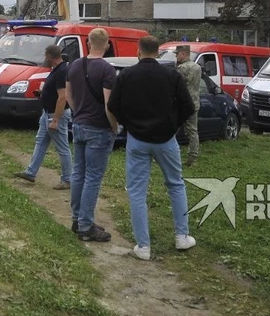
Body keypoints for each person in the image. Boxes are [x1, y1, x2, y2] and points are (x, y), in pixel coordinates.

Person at [108, 36, 196, 261]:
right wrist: (172, 125)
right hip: (166, 140)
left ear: (138, 51)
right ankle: (182, 236)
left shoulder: (127, 75)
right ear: (158, 52)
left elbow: (113, 105)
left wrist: (130, 124)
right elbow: (188, 106)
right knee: (175, 184)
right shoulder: (171, 75)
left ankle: (143, 246)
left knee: (137, 191)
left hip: (137, 139)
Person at [66, 28, 118, 242]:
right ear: (106, 45)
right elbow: (109, 104)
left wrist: (78, 111)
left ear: (88, 43)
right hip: (98, 127)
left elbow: (69, 94)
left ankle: (78, 219)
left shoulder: (75, 65)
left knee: (78, 173)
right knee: (93, 177)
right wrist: (114, 126)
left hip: (78, 123)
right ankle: (86, 227)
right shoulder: (107, 69)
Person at [13, 45, 72, 189]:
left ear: (49, 56)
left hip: (55, 114)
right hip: (47, 113)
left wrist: (56, 119)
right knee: (40, 142)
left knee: (62, 147)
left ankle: (67, 179)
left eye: (45, 56)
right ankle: (31, 172)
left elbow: (63, 97)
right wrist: (43, 93)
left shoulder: (61, 71)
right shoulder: (57, 70)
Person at [175, 45, 202, 167]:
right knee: (193, 132)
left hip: (182, 103)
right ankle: (193, 158)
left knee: (171, 129)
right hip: (194, 102)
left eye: (177, 54)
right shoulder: (197, 67)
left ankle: (168, 154)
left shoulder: (182, 68)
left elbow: (176, 85)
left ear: (183, 54)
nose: (176, 56)